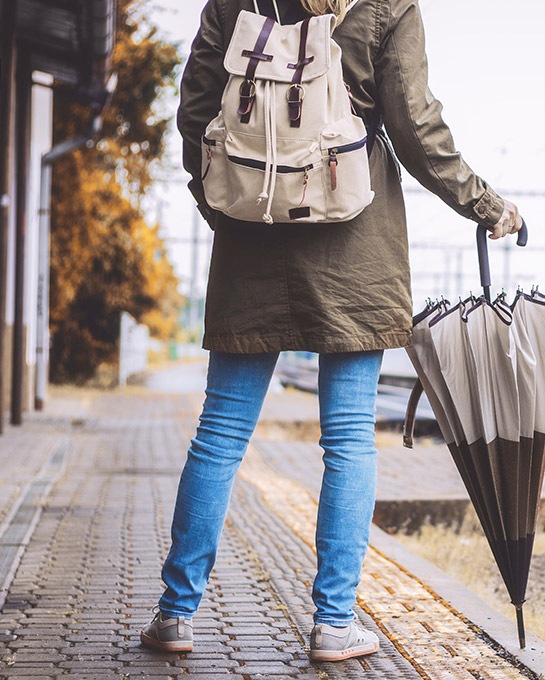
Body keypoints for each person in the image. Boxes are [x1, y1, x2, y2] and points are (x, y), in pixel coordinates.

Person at [138, 0, 522, 663]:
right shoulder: (388, 5)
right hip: (355, 239)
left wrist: (225, 205)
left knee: (222, 431)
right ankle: (332, 625)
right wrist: (486, 204)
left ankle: (175, 614)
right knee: (347, 439)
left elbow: (195, 112)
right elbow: (414, 124)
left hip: (251, 232)